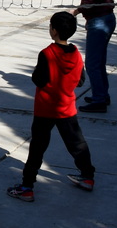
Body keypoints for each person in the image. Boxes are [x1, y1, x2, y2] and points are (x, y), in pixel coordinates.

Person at [7, 12, 96, 203]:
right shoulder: (76, 54)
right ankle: (87, 176)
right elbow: (80, 81)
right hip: (66, 108)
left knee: (37, 149)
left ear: (54, 31)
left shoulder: (47, 54)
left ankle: (27, 187)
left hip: (46, 109)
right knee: (77, 144)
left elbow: (38, 79)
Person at [75, 0, 115, 114]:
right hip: (104, 18)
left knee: (92, 63)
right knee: (99, 62)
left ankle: (99, 100)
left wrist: (74, 12)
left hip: (100, 21)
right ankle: (102, 95)